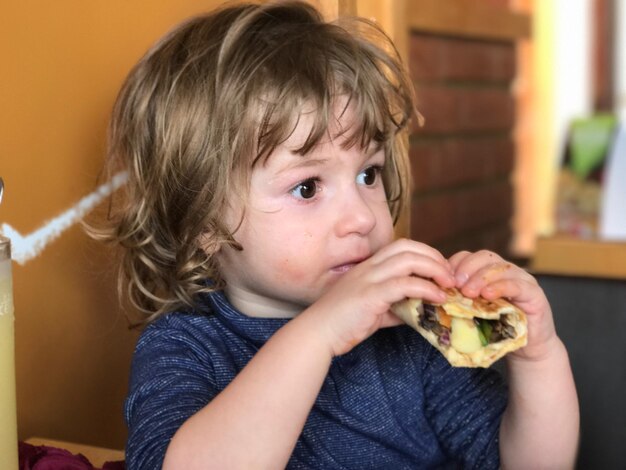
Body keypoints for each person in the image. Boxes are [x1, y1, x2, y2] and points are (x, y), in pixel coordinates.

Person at [96, 1, 579, 468]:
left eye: (369, 175)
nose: (363, 218)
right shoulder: (187, 346)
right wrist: (322, 332)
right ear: (202, 223)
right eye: (307, 187)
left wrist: (539, 356)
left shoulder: (410, 339)